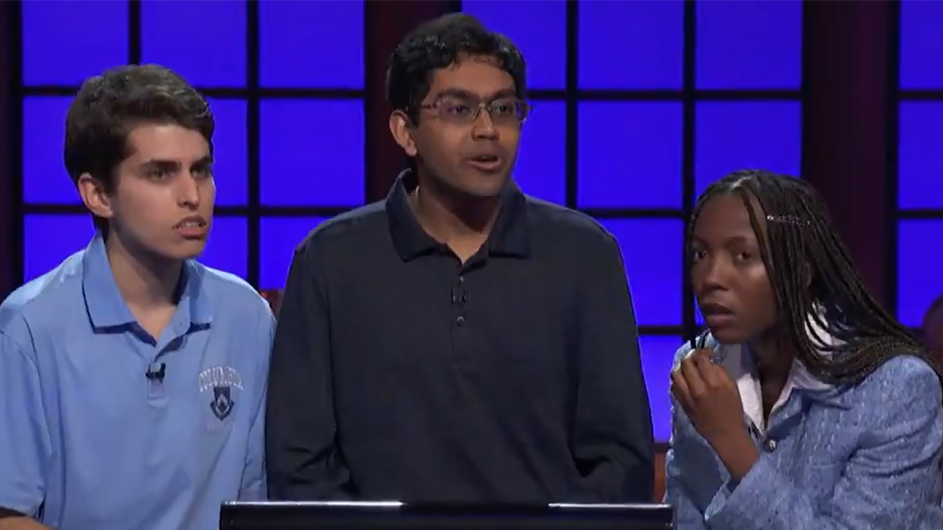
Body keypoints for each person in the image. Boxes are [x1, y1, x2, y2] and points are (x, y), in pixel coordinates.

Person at [265, 13, 654, 503]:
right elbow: (300, 464)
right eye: (458, 109)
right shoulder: (330, 261)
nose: (487, 130)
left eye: (505, 108)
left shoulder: (585, 256)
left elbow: (622, 460)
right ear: (405, 131)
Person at [0, 65, 274, 530]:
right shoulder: (31, 327)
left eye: (201, 170)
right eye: (161, 173)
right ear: (98, 195)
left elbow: (257, 503)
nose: (193, 195)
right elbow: (10, 516)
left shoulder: (246, 316)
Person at [665, 169, 943, 529]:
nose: (711, 278)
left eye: (742, 255)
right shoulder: (700, 370)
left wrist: (730, 440)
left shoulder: (897, 389)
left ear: (802, 269)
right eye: (700, 254)